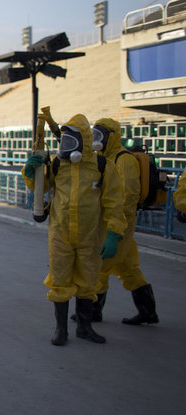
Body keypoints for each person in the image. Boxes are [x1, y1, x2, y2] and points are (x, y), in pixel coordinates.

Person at [23, 113, 126, 346]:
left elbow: (114, 202)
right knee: (59, 280)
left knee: (88, 281)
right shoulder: (59, 164)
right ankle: (61, 330)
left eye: (71, 142)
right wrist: (30, 171)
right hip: (60, 233)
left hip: (91, 235)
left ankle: (84, 327)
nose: (66, 148)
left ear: (84, 142)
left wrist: (113, 233)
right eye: (64, 142)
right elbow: (41, 185)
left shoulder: (102, 166)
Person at [89, 118, 158, 325]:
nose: (96, 140)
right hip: (113, 222)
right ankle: (148, 312)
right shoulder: (103, 158)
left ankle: (93, 311)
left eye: (100, 136)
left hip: (120, 225)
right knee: (129, 268)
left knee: (100, 266)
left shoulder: (124, 160)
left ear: (112, 136)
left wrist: (115, 229)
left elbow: (127, 197)